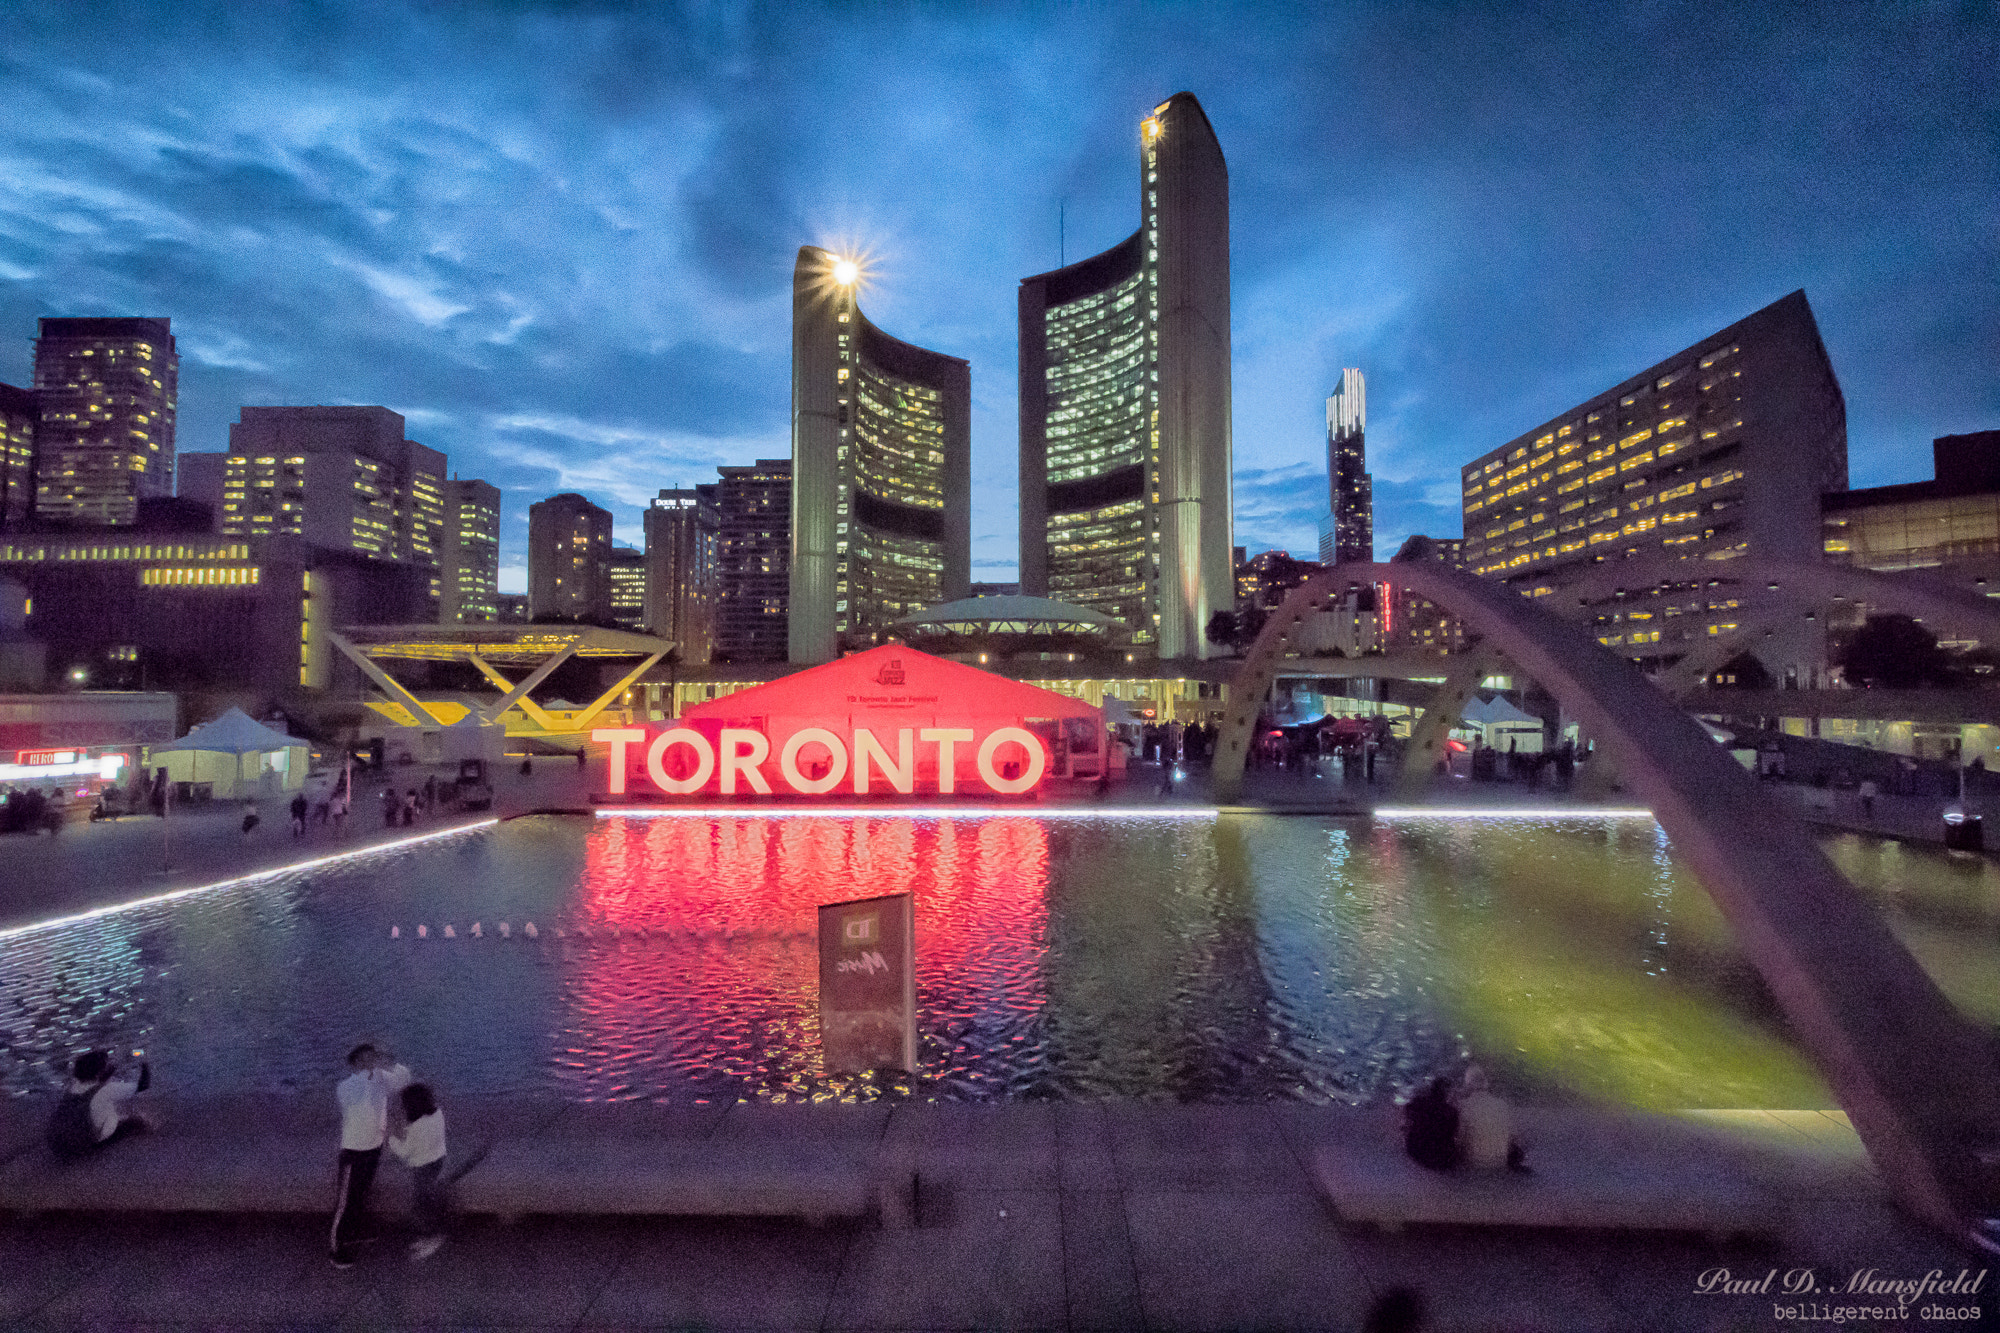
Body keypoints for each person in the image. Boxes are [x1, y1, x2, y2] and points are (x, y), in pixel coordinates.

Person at [331, 1043, 412, 1269]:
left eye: (373, 1057)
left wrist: (390, 1060)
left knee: (362, 1194)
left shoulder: (380, 1078)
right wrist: (374, 1076)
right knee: (345, 1201)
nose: (372, 1061)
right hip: (353, 1150)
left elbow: (403, 1080)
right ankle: (336, 1249)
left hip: (374, 1147)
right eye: (367, 1058)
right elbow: (359, 1102)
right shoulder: (345, 1086)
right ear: (356, 1062)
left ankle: (354, 1234)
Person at [47, 1049, 153, 1159]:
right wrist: (145, 1062)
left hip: (61, 1147)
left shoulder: (72, 1086)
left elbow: (93, 1085)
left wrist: (109, 1071)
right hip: (86, 1146)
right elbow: (143, 1085)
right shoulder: (107, 1090)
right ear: (100, 1071)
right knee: (137, 1121)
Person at [389, 1083, 448, 1261]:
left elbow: (405, 1152)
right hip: (438, 1160)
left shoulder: (416, 1127)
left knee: (422, 1205)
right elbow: (429, 1134)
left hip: (422, 1167)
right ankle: (431, 1235)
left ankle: (433, 1238)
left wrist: (391, 1138)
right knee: (429, 1199)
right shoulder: (437, 1112)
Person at [1457, 1064, 1529, 1173]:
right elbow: (1513, 1136)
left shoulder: (1463, 1106)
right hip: (1499, 1163)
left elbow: (1460, 1138)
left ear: (1467, 1084)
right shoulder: (1502, 1105)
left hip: (1472, 1165)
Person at [1402, 1077, 1461, 1172]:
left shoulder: (1418, 1103)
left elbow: (1408, 1109)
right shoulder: (1450, 1112)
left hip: (1414, 1149)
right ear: (1447, 1094)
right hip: (1437, 1157)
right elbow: (1453, 1133)